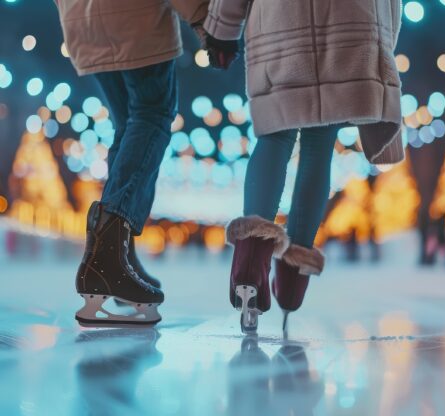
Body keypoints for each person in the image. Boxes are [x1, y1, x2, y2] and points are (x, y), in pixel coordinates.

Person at [204, 0, 405, 333]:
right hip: (352, 23)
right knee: (319, 147)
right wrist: (383, 41)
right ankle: (293, 283)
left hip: (281, 21)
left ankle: (250, 263)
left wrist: (220, 30)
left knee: (275, 135)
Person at [54, 0, 236, 327]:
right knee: (153, 114)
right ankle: (109, 259)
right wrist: (204, 20)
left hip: (82, 23)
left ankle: (118, 256)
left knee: (129, 124)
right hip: (134, 21)